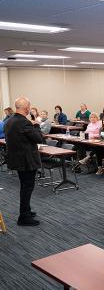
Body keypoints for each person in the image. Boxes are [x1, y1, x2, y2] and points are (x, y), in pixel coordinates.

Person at [4, 96, 43, 226]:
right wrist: (37, 124)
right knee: (27, 188)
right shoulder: (24, 122)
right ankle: (24, 217)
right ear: (26, 108)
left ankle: (26, 210)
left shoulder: (10, 120)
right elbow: (38, 138)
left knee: (24, 187)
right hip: (27, 160)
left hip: (17, 159)